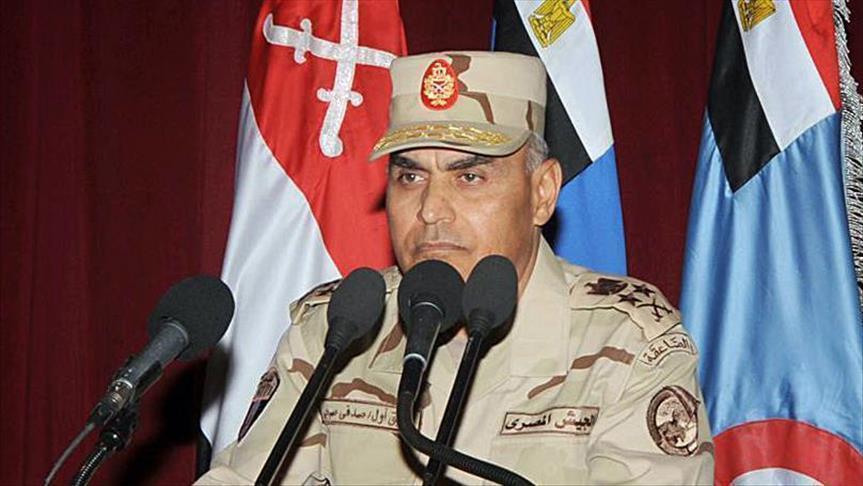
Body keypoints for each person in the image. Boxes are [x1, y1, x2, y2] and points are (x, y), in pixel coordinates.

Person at [197, 51, 714, 485]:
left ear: (542, 192)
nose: (430, 210)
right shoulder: (340, 329)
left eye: (469, 177)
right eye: (410, 176)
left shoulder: (625, 342)